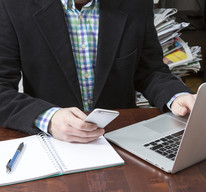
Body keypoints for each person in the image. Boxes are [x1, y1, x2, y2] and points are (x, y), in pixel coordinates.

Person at [0, 0, 195, 143]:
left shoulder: (136, 4)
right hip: (53, 140)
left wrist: (176, 97)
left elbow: (150, 71)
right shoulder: (13, 6)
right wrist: (47, 118)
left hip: (121, 137)